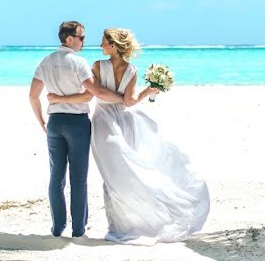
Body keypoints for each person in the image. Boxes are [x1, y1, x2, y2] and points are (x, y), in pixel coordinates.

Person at [48, 28, 210, 244]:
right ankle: (122, 223)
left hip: (104, 122)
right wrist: (144, 93)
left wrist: (58, 98)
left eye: (104, 42)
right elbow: (128, 101)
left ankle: (121, 225)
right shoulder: (130, 69)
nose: (100, 45)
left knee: (113, 174)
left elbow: (94, 94)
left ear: (113, 46)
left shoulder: (98, 66)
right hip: (122, 120)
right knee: (121, 170)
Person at [29, 21, 123, 238]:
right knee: (78, 178)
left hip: (54, 123)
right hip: (77, 123)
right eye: (81, 37)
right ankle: (78, 229)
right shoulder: (78, 63)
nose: (84, 41)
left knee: (56, 176)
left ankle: (57, 227)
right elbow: (94, 92)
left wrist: (42, 121)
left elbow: (33, 95)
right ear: (69, 39)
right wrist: (123, 99)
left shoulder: (46, 61)